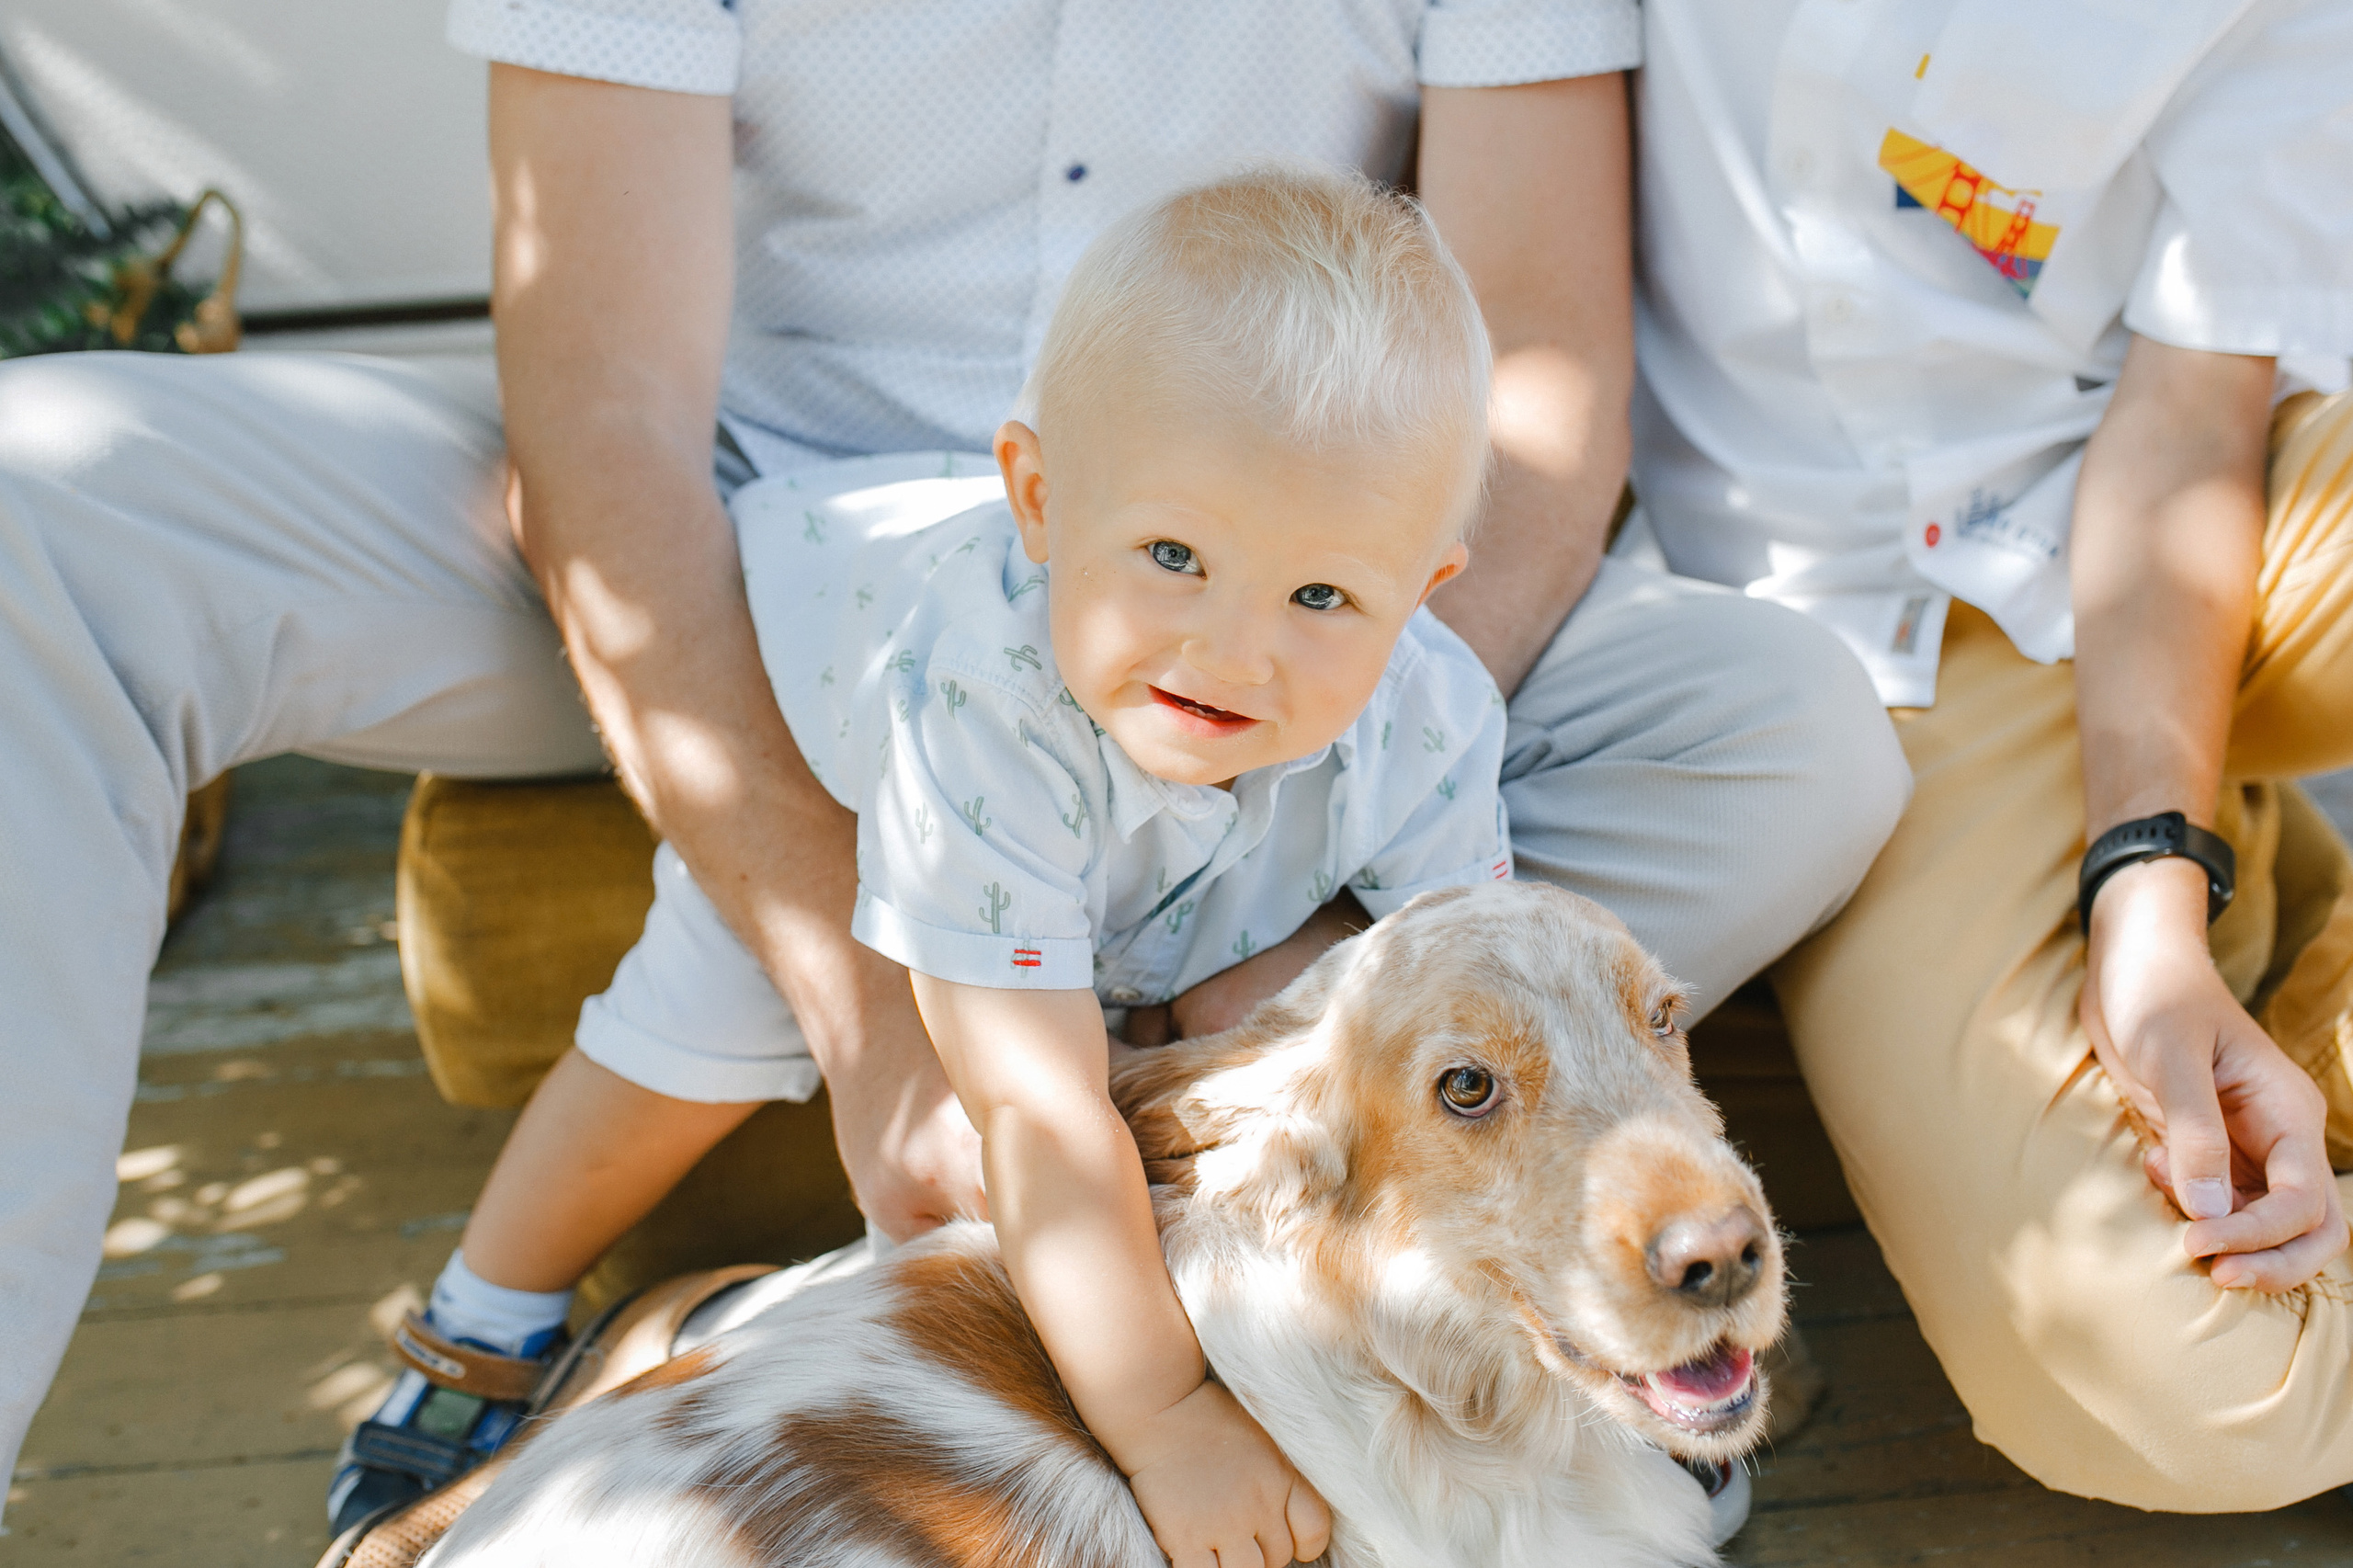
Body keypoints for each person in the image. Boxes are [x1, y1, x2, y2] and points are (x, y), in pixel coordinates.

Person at [0, 0, 1910, 1526]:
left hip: (1275, 575)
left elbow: (1536, 387)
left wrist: (1300, 794)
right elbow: (603, 410)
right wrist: (865, 983)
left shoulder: (1358, 644)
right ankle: (524, 1309)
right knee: (41, 509)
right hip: (764, 565)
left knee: (1795, 729)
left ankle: (1311, 1201)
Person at [338, 165, 1509, 1554]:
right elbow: (1038, 1112)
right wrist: (1168, 1419)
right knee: (684, 1042)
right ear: (1040, 501)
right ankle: (488, 1310)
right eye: (1172, 553)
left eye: (1322, 593)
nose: (1235, 650)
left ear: (1423, 589)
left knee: (1289, 1013)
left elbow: (1490, 1020)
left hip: (1181, 852)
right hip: (844, 791)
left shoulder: (1430, 718)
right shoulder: (981, 699)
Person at [1625, 0, 2353, 1511]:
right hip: (1838, 641)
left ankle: (2270, 979)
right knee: (2194, 1399)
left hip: (2216, 514)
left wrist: (2149, 892)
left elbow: (2191, 417)